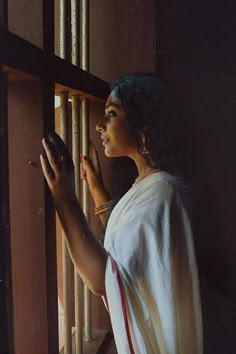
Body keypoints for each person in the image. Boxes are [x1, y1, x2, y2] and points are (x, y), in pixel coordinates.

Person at [40, 73, 203, 354]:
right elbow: (131, 249)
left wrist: (64, 198)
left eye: (112, 114)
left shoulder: (162, 194)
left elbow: (103, 278)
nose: (100, 125)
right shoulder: (153, 183)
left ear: (143, 128)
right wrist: (95, 189)